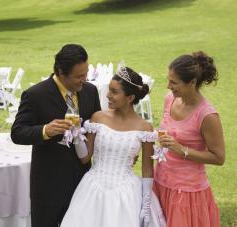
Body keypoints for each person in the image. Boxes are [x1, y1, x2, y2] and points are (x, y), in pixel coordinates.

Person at [61, 65, 166, 227]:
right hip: (92, 189)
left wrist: (145, 205)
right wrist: (75, 135)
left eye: (114, 92)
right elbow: (84, 157)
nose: (108, 95)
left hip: (126, 194)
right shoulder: (98, 118)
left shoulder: (145, 128)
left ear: (130, 98)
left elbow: (147, 169)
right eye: (109, 90)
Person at [11, 44, 101, 227]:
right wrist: (45, 131)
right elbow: (17, 132)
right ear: (60, 72)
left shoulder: (90, 91)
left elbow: (97, 130)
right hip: (48, 185)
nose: (84, 79)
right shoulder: (35, 95)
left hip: (84, 183)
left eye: (86, 73)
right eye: (78, 76)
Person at [154, 51, 225, 227]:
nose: (168, 86)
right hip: (161, 182)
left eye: (174, 82)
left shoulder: (207, 115)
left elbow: (219, 157)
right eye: (169, 80)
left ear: (192, 82)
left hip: (186, 192)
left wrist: (182, 150)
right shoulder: (170, 99)